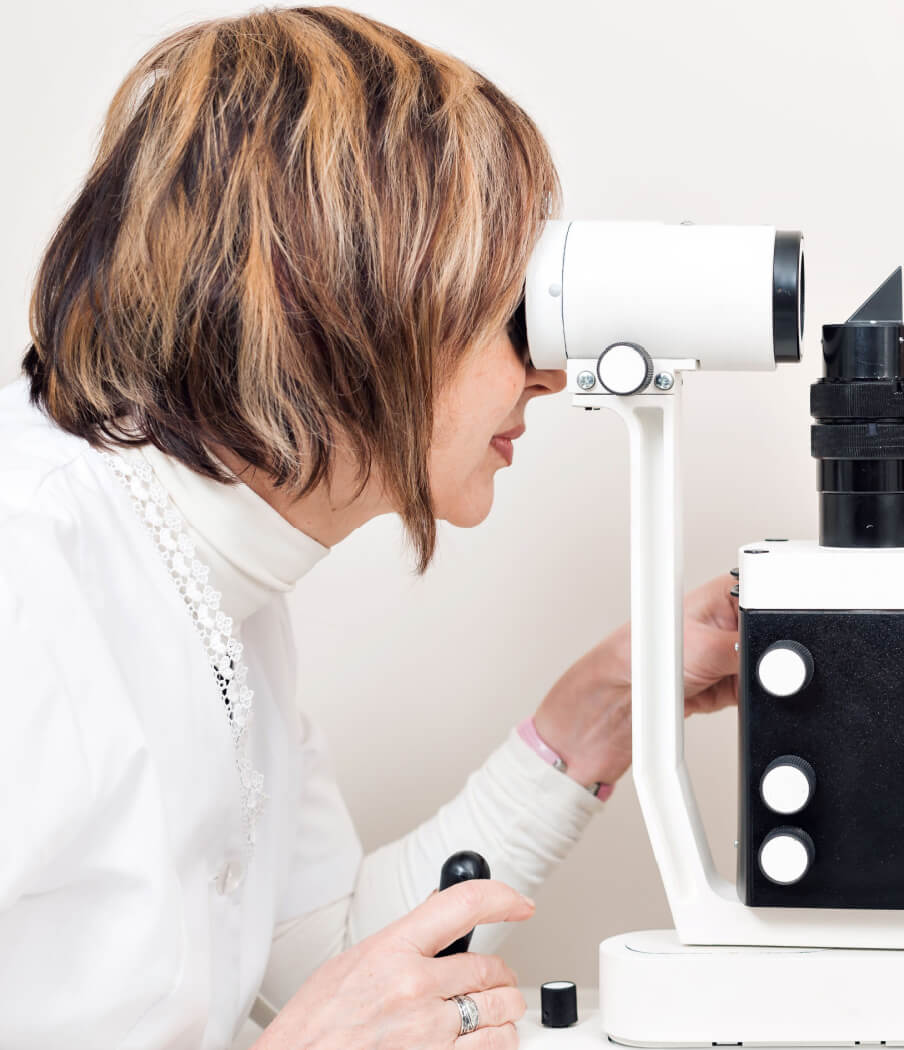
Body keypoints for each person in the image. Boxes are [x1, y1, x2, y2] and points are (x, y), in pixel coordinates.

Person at [0, 8, 740, 1049]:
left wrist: (598, 716)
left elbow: (335, 950)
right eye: (509, 309)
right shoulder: (24, 578)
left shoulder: (218, 583)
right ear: (341, 294)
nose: (552, 372)